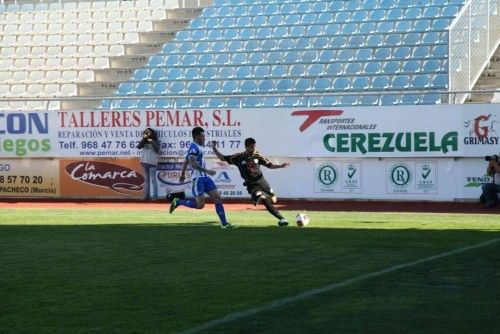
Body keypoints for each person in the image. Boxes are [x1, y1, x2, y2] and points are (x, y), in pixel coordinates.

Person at [212, 137, 290, 226]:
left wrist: (281, 166)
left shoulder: (257, 155)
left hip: (262, 182)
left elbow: (269, 165)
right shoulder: (238, 157)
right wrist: (214, 149)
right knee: (264, 200)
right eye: (251, 147)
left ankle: (255, 198)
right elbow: (223, 158)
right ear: (246, 147)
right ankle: (282, 219)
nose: (253, 149)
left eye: (254, 147)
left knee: (273, 200)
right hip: (251, 185)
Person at [169, 127, 234, 229]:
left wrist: (182, 174)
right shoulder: (193, 148)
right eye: (203, 136)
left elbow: (186, 161)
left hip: (205, 178)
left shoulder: (199, 147)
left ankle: (224, 224)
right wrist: (207, 171)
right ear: (197, 136)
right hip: (198, 179)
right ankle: (178, 201)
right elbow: (193, 164)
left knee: (217, 197)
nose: (204, 138)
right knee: (200, 205)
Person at [137, 127, 160, 201]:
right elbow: (138, 147)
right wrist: (144, 139)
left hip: (152, 162)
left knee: (153, 180)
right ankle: (146, 195)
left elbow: (157, 150)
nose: (147, 134)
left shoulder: (155, 141)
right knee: (146, 180)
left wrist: (152, 142)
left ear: (152, 133)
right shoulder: (144, 141)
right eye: (145, 133)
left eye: (148, 133)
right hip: (144, 161)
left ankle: (155, 196)